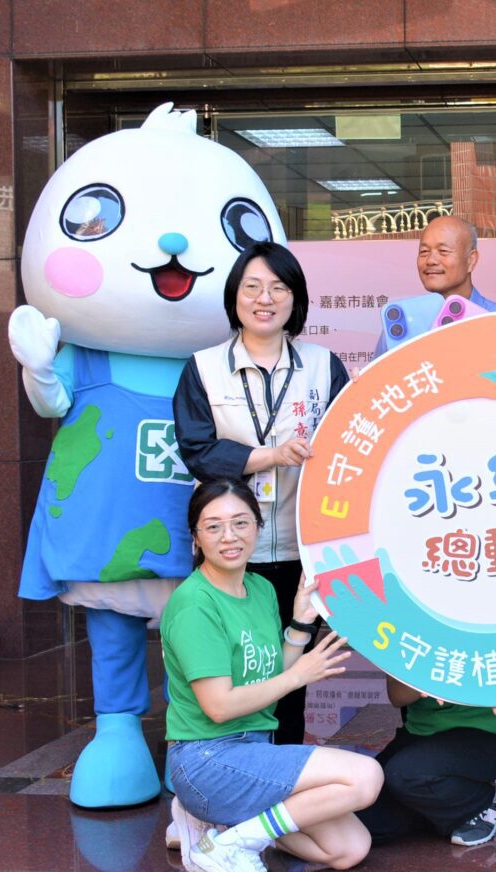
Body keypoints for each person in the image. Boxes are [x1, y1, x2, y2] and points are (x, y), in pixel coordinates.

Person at [162, 478, 382, 872]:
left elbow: (267, 675)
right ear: (196, 537)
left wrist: (300, 622)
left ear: (259, 528)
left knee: (349, 848)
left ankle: (221, 832)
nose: (230, 536)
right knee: (365, 777)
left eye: (241, 523)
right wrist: (300, 676)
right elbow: (219, 706)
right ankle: (232, 846)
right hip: (208, 758)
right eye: (214, 526)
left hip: (252, 752)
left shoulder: (259, 589)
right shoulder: (194, 605)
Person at [173, 240, 349, 745]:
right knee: (225, 668)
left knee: (292, 677)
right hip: (230, 549)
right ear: (235, 296)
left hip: (301, 547)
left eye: (278, 288)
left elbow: (347, 450)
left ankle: (283, 772)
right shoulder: (202, 368)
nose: (264, 299)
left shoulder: (323, 366)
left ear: (296, 299)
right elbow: (198, 451)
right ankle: (216, 775)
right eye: (252, 287)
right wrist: (270, 456)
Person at [355, 677, 496, 849]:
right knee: (364, 823)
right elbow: (397, 697)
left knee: (404, 774)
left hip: (491, 734)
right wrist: (426, 681)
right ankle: (438, 804)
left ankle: (484, 801)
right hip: (421, 733)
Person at [416, 214, 496, 311]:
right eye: (424, 251)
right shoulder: (409, 317)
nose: (430, 260)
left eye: (443, 251)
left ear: (471, 260)